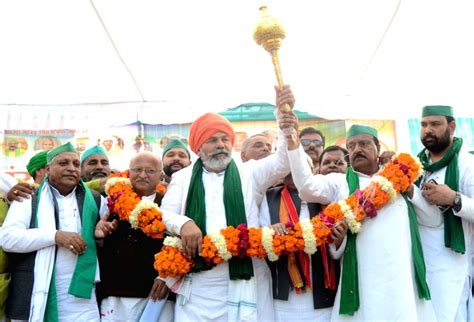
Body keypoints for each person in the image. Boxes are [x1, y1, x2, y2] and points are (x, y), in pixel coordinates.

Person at [160, 85, 297, 321]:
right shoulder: (183, 178)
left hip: (248, 275)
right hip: (200, 283)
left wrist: (284, 124)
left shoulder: (249, 173)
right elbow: (165, 214)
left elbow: (282, 163)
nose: (221, 145)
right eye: (212, 140)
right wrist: (184, 224)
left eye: (225, 139)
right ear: (199, 147)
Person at [287, 122, 435, 321]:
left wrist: (410, 190)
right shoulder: (339, 182)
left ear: (378, 149)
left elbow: (433, 220)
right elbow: (305, 187)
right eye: (351, 146)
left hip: (402, 277)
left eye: (364, 144)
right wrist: (292, 142)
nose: (357, 150)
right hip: (363, 277)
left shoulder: (400, 176)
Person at [0, 142, 115, 321]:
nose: (71, 168)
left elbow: (109, 238)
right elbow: (7, 239)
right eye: (63, 163)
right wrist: (55, 236)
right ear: (47, 169)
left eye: (76, 164)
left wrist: (97, 235)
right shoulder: (28, 197)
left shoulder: (95, 199)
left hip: (82, 299)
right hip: (34, 293)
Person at [260, 159, 346, 321]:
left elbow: (338, 247)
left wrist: (339, 240)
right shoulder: (269, 197)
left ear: (311, 170)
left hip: (323, 293)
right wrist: (270, 232)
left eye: (297, 166)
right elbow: (259, 237)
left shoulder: (326, 196)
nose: (292, 171)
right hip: (283, 296)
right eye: (287, 167)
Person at [410, 105, 474, 321]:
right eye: (424, 125)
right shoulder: (415, 166)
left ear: (452, 126)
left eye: (435, 124)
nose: (428, 130)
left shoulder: (467, 164)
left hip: (452, 268)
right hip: (419, 263)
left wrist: (453, 199)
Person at [98, 152, 173, 321]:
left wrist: (166, 277)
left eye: (150, 170)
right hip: (115, 294)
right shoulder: (112, 200)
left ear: (161, 175)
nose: (143, 175)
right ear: (129, 172)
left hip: (156, 296)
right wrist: (99, 236)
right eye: (137, 169)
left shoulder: (169, 203)